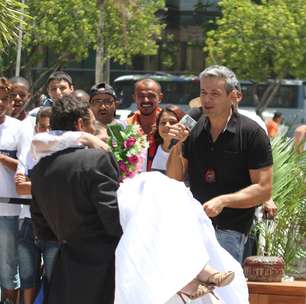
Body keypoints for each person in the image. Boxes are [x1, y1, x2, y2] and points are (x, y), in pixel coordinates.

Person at [167, 65, 273, 263]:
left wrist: (224, 201)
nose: (207, 99)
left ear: (232, 96)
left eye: (214, 93)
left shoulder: (251, 133)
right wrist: (178, 145)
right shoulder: (193, 128)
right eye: (203, 92)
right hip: (193, 228)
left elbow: (264, 189)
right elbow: (174, 178)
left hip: (231, 231)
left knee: (223, 292)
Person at [30, 95, 122, 304]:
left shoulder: (39, 170)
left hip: (67, 266)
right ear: (81, 124)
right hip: (104, 266)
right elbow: (113, 219)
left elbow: (42, 228)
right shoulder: (97, 159)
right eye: (91, 122)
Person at [15, 107, 59, 304]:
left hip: (54, 225)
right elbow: (20, 188)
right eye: (42, 128)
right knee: (27, 279)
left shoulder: (63, 155)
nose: (46, 133)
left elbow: (63, 189)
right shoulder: (27, 152)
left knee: (54, 280)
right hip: (27, 222)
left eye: (51, 128)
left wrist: (32, 185)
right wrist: (48, 185)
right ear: (36, 127)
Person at [0, 77, 22, 304]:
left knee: (8, 265)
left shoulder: (17, 128)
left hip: (8, 209)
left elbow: (26, 167)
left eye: (4, 98)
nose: (0, 102)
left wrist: (3, 158)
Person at [127, 79, 163, 171]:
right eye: (141, 96)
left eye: (151, 96)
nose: (146, 100)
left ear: (160, 97)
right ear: (134, 97)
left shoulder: (170, 124)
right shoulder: (125, 126)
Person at [151, 105, 185, 174]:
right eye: (163, 123)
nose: (167, 125)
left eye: (172, 122)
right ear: (158, 127)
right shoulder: (148, 151)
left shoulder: (189, 152)